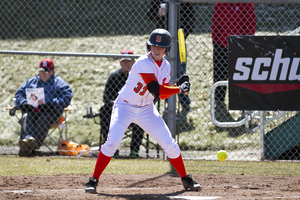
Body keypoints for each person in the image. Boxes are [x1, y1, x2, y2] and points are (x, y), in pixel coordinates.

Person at [85, 29, 201, 193]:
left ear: (167, 49)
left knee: (170, 144)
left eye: (161, 47)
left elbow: (161, 94)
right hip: (125, 106)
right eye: (154, 45)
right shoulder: (142, 62)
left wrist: (178, 87)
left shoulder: (166, 66)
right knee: (112, 142)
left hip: (146, 108)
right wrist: (178, 89)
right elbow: (157, 90)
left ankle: (185, 178)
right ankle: (93, 179)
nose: (156, 49)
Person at [14, 58, 73, 156]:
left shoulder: (58, 82)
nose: (43, 74)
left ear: (53, 72)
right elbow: (18, 94)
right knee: (26, 117)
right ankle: (27, 142)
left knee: (43, 119)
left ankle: (31, 145)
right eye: (41, 71)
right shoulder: (31, 82)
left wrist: (53, 104)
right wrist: (24, 103)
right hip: (33, 111)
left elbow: (67, 95)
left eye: (46, 72)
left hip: (51, 112)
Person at [146, 0, 195, 115]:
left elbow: (191, 20)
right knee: (163, 72)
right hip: (161, 44)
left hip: (178, 42)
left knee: (180, 71)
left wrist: (180, 37)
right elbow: (149, 14)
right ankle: (168, 102)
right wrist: (158, 13)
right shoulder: (159, 1)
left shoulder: (184, 2)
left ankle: (184, 101)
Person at [212, 3, 256, 122]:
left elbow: (250, 24)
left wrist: (246, 42)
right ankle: (219, 99)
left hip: (239, 44)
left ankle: (243, 103)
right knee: (219, 72)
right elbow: (216, 22)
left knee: (240, 74)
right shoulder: (221, 4)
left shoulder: (246, 4)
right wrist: (214, 40)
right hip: (221, 43)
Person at [100, 49, 144, 158]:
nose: (126, 64)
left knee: (142, 112)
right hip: (116, 109)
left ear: (134, 62)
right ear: (120, 62)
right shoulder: (114, 76)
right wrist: (113, 104)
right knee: (104, 110)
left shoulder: (139, 77)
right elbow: (106, 96)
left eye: (129, 61)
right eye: (124, 61)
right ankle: (111, 149)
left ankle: (134, 150)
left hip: (134, 108)